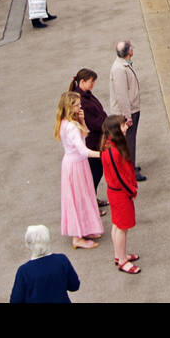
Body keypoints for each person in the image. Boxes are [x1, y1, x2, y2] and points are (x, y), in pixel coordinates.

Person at [56, 92, 103, 250]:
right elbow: (83, 150)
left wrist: (82, 120)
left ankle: (84, 229)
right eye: (77, 104)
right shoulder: (71, 127)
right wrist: (103, 155)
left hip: (75, 164)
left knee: (81, 196)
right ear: (70, 107)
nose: (80, 106)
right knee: (78, 197)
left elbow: (85, 134)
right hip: (76, 165)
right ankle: (77, 237)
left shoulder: (66, 122)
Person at [101, 114, 140, 274]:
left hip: (115, 192)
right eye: (123, 125)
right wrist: (132, 190)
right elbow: (119, 176)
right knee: (122, 227)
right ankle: (123, 261)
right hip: (121, 193)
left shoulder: (108, 147)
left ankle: (119, 255)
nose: (126, 127)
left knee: (117, 225)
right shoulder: (114, 151)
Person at [10, 224, 79, 303]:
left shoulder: (24, 271)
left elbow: (15, 300)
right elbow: (74, 286)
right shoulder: (61, 260)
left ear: (28, 245)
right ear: (48, 240)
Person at [71, 68, 108, 206]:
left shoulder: (86, 95)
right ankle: (90, 203)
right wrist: (108, 125)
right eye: (91, 82)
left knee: (96, 173)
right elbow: (93, 123)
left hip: (96, 140)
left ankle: (92, 199)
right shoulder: (82, 100)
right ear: (82, 81)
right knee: (94, 173)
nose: (93, 84)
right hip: (93, 142)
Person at [109, 40, 144, 181]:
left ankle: (132, 164)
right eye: (131, 47)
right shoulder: (119, 69)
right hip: (126, 111)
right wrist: (127, 116)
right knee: (129, 141)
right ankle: (130, 170)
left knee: (131, 139)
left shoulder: (123, 64)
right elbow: (121, 95)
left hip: (130, 108)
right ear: (128, 52)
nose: (133, 48)